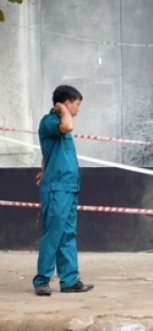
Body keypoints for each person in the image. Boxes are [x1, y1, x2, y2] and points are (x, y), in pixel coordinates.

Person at [33, 85, 94, 296]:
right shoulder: (51, 122)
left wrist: (44, 168)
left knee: (68, 234)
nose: (78, 109)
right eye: (76, 104)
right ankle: (42, 280)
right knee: (53, 234)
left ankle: (69, 280)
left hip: (69, 187)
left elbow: (49, 152)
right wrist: (61, 108)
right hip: (57, 188)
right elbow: (68, 125)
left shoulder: (59, 125)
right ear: (67, 103)